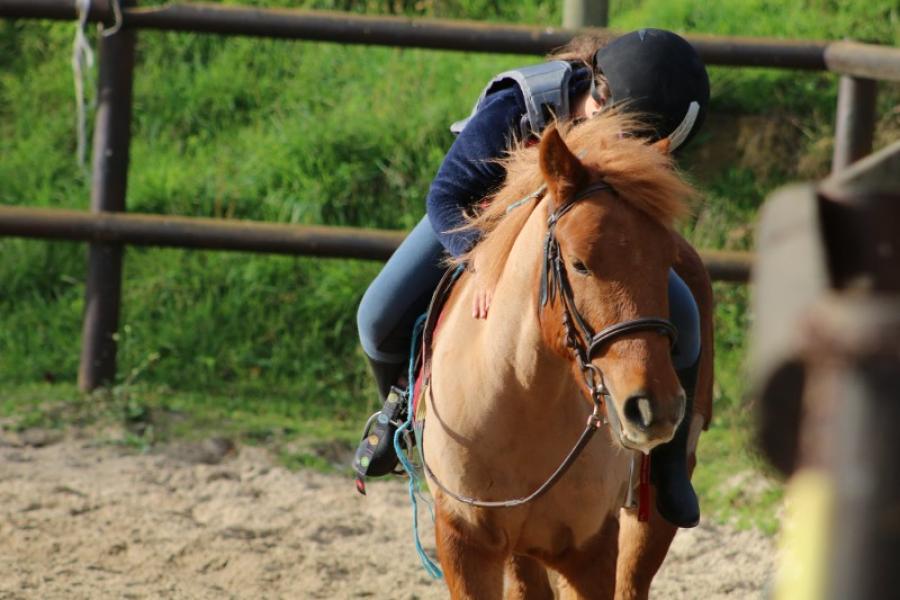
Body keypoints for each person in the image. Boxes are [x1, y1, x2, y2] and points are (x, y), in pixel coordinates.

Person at [353, 28, 710, 528]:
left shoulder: (647, 119)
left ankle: (669, 469)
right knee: (375, 315)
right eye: (633, 140)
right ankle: (400, 413)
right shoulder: (520, 103)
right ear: (600, 98)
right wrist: (479, 261)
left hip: (585, 243)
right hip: (480, 225)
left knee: (687, 318)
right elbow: (446, 197)